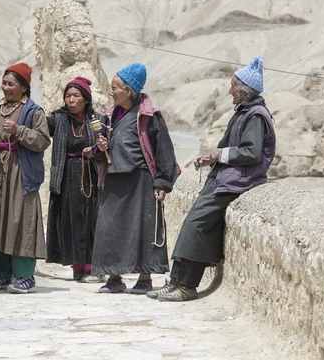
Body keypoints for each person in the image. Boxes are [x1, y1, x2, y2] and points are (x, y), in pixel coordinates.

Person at [152, 55, 276, 302]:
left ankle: (187, 285)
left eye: (233, 86)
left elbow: (251, 153)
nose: (230, 91)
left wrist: (219, 154)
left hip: (238, 180)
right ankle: (176, 281)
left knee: (196, 225)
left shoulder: (256, 116)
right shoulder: (245, 112)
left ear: (243, 90)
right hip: (226, 177)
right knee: (192, 223)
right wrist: (213, 158)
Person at [93, 63, 179, 294]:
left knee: (143, 228)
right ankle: (114, 278)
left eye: (115, 88)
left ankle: (144, 279)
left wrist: (162, 182)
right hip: (113, 178)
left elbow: (164, 150)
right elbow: (103, 149)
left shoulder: (149, 116)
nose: (111, 92)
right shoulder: (110, 116)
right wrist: (101, 146)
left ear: (129, 90)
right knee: (109, 229)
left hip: (140, 180)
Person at [0, 62, 51, 294]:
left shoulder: (33, 112)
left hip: (21, 171)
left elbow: (43, 141)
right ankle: (1, 272)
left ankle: (25, 275)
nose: (6, 88)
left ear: (24, 88)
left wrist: (18, 130)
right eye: (4, 83)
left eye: (12, 84)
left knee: (20, 219)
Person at [46, 77, 105, 283]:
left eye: (76, 95)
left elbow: (108, 145)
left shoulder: (98, 120)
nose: (71, 100)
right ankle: (78, 268)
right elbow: (37, 127)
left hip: (92, 176)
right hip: (67, 176)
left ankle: (93, 267)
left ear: (86, 99)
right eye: (68, 96)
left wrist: (96, 151)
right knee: (72, 220)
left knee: (92, 220)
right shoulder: (58, 120)